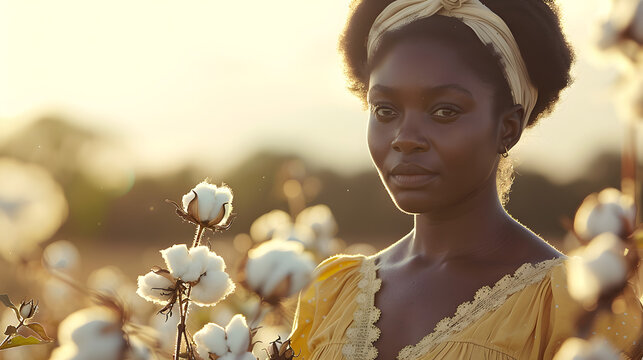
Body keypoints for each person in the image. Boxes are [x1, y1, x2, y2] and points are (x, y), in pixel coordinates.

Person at [289, 0, 643, 359]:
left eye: (444, 111)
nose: (404, 137)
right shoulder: (332, 292)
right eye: (385, 110)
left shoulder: (578, 302)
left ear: (508, 127)